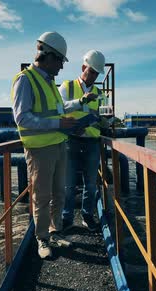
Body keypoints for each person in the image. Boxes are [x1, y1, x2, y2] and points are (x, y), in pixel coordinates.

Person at [11, 32, 95, 259]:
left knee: (59, 193)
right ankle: (42, 238)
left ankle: (55, 232)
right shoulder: (25, 80)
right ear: (47, 56)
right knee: (42, 195)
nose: (61, 67)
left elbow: (59, 110)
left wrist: (74, 117)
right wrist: (58, 123)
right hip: (40, 150)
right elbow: (22, 118)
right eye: (59, 61)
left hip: (59, 144)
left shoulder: (48, 82)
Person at [59, 50, 107, 232]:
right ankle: (66, 217)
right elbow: (59, 107)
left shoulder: (99, 92)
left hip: (92, 142)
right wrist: (80, 101)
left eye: (96, 73)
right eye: (91, 71)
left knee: (90, 184)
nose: (94, 76)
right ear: (83, 68)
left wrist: (105, 120)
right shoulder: (67, 87)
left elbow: (105, 117)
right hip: (70, 140)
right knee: (69, 184)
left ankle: (87, 215)